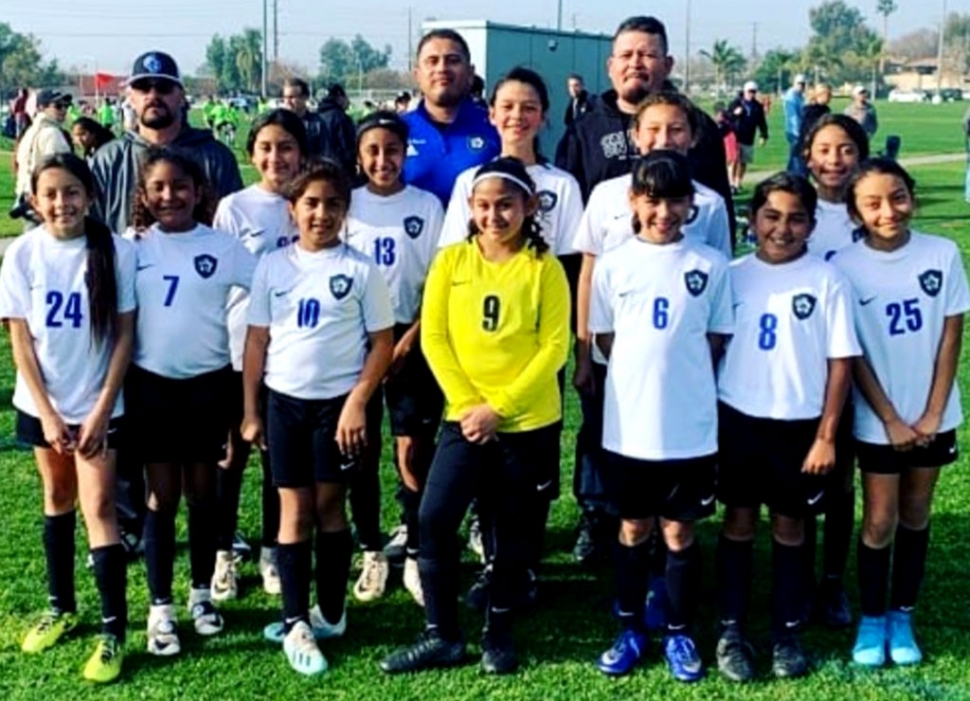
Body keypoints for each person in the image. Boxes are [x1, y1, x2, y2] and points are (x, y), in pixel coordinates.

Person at [379, 157, 570, 676]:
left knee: (509, 532)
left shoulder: (543, 268)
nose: (494, 216)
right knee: (434, 517)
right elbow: (435, 338)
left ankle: (498, 633)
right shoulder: (452, 262)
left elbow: (554, 347)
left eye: (505, 205)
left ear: (529, 206)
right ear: (470, 208)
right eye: (483, 206)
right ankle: (441, 635)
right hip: (464, 420)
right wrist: (468, 406)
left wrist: (500, 408)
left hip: (525, 424)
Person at [437, 67, 582, 610]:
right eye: (507, 106)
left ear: (543, 116)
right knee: (480, 456)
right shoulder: (468, 182)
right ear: (491, 113)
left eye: (528, 106)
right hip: (478, 354)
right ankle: (491, 560)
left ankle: (524, 566)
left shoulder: (561, 185)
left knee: (531, 469)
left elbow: (567, 267)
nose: (517, 116)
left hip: (539, 345)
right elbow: (451, 264)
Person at [242, 162, 394, 675]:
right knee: (294, 512)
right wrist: (250, 409)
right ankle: (294, 622)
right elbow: (257, 340)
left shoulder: (359, 269)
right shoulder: (272, 266)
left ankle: (329, 613)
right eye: (310, 203)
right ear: (293, 210)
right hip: (284, 405)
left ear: (345, 213)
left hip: (337, 407)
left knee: (331, 507)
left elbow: (382, 343)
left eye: (332, 204)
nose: (321, 213)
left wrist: (357, 401)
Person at [572, 92, 732, 578]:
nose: (664, 138)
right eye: (653, 129)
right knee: (612, 448)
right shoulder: (607, 194)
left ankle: (672, 561)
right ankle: (604, 530)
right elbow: (589, 273)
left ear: (693, 135)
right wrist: (585, 352)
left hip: (682, 365)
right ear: (635, 135)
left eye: (676, 130)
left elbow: (720, 285)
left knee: (674, 461)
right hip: (618, 354)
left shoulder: (707, 203)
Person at [589, 151, 732, 682]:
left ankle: (678, 631)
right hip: (629, 429)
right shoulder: (614, 263)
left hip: (690, 429)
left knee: (678, 535)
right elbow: (604, 337)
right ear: (634, 201)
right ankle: (628, 627)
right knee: (632, 527)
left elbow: (717, 337)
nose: (664, 211)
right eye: (652, 200)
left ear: (691, 205)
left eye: (675, 200)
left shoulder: (710, 265)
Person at [714, 173, 859, 683]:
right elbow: (712, 348)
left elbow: (841, 362)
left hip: (799, 425)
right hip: (738, 418)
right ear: (752, 221)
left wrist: (826, 434)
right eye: (772, 216)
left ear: (812, 225)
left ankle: (785, 631)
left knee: (790, 525)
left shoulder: (827, 279)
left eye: (796, 218)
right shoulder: (731, 274)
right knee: (738, 521)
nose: (783, 228)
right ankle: (731, 629)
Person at [0, 153, 135, 683]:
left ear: (91, 195)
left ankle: (113, 633)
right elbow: (21, 344)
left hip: (100, 404)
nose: (62, 203)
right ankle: (61, 607)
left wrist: (100, 410)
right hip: (44, 406)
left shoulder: (114, 251)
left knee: (99, 506)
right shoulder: (23, 253)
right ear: (34, 200)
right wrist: (49, 415)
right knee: (56, 499)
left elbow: (125, 336)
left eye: (72, 191)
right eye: (51, 193)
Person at [832, 159, 969, 667]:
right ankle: (871, 619)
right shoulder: (843, 266)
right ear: (855, 211)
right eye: (872, 203)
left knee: (915, 513)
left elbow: (950, 335)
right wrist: (889, 417)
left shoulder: (943, 253)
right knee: (880, 519)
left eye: (898, 197)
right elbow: (855, 353)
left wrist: (934, 412)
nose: (888, 211)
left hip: (934, 415)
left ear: (912, 196)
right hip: (876, 419)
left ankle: (901, 614)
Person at [125, 149, 256, 657]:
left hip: (208, 385)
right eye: (158, 187)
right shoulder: (132, 247)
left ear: (199, 191)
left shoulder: (222, 247)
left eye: (180, 186)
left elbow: (268, 287)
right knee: (162, 496)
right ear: (144, 195)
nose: (169, 196)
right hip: (152, 386)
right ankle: (161, 607)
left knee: (204, 492)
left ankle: (201, 595)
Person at [344, 110, 445, 605]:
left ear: (406, 154)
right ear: (359, 157)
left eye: (392, 150)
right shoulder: (346, 204)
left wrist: (409, 340)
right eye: (373, 151)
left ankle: (415, 544)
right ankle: (370, 550)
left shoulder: (426, 206)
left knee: (413, 448)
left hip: (410, 342)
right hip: (353, 342)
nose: (383, 160)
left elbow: (439, 283)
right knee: (359, 449)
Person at [209, 109, 308, 603]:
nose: (276, 157)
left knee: (278, 458)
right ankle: (224, 551)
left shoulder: (311, 204)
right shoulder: (235, 207)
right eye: (266, 147)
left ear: (301, 153)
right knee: (231, 454)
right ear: (252, 154)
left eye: (286, 146)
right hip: (237, 348)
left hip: (290, 354)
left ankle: (273, 548)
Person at [801, 113, 871, 628]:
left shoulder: (871, 213)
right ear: (808, 156)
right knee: (801, 473)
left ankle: (832, 582)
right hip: (803, 368)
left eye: (846, 149)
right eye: (825, 149)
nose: (834, 160)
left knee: (843, 479)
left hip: (861, 366)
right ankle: (800, 575)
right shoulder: (795, 212)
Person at [555, 16, 733, 208]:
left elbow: (719, 206)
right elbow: (566, 211)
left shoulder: (697, 125)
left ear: (667, 65)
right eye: (626, 55)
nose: (635, 63)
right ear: (610, 66)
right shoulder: (583, 131)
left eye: (647, 55)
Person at [90, 51, 242, 236]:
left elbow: (233, 226)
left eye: (163, 88)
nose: (153, 96)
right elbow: (92, 229)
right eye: (143, 88)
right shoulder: (109, 159)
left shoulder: (216, 157)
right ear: (130, 97)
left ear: (182, 95)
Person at [402, 28, 501, 206]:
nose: (442, 69)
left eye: (453, 61)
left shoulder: (496, 127)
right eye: (432, 61)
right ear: (417, 74)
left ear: (470, 73)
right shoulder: (398, 130)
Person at [282, 78, 356, 174]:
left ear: (305, 97)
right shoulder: (280, 124)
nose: (288, 102)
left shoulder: (318, 124)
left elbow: (327, 154)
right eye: (285, 97)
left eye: (292, 97)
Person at [14, 90, 73, 203]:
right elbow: (60, 168)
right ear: (41, 108)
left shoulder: (30, 131)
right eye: (58, 106)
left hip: (27, 194)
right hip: (45, 197)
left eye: (66, 106)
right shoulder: (52, 133)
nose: (64, 110)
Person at [727, 81, 769, 192]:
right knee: (734, 160)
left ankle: (737, 183)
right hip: (735, 136)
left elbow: (762, 122)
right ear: (745, 91)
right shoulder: (736, 103)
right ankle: (731, 184)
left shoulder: (757, 106)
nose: (752, 94)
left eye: (754, 92)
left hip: (748, 137)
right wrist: (734, 114)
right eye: (750, 91)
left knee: (743, 162)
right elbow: (726, 117)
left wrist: (763, 135)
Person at [783, 74, 807, 175]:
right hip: (794, 131)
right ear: (794, 83)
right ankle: (794, 176)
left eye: (803, 84)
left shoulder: (799, 96)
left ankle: (789, 175)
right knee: (796, 157)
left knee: (793, 156)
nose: (801, 86)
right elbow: (793, 117)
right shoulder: (791, 96)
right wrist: (798, 133)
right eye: (799, 84)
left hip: (799, 130)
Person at [799, 83, 832, 152]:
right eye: (828, 95)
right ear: (819, 95)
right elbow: (808, 130)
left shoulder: (825, 109)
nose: (830, 97)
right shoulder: (811, 111)